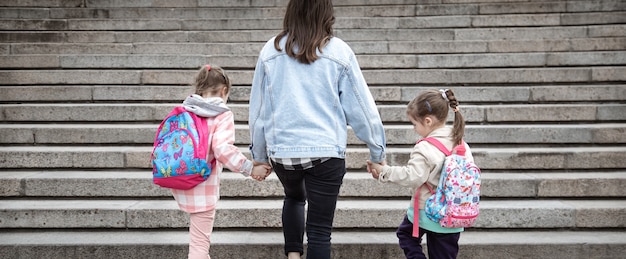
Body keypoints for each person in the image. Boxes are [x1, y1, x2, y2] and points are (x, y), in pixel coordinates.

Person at [248, 0, 386, 258]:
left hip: (283, 152)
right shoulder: (339, 51)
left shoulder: (270, 50)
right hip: (326, 152)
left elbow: (258, 111)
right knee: (320, 232)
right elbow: (363, 110)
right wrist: (377, 152)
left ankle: (292, 255)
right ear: (327, 14)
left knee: (294, 197)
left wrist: (258, 156)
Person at [171, 64, 271, 259]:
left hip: (181, 178)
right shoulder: (221, 113)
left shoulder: (186, 109)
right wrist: (249, 168)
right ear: (224, 90)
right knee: (199, 246)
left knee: (198, 239)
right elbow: (222, 149)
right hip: (203, 185)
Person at [367, 89, 473, 259]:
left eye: (414, 124)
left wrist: (384, 172)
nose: (414, 129)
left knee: (406, 235)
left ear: (428, 121)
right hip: (455, 212)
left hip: (428, 211)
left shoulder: (425, 147)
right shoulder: (461, 143)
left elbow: (413, 176)